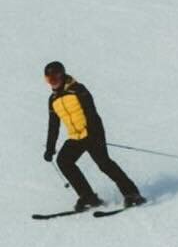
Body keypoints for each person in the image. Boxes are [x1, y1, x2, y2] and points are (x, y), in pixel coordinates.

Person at [42, 62, 145, 210]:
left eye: (55, 78)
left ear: (63, 75)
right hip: (75, 137)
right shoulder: (53, 100)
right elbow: (53, 125)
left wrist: (92, 133)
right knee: (64, 161)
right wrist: (50, 148)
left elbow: (91, 112)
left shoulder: (78, 89)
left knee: (104, 164)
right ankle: (88, 197)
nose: (53, 82)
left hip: (93, 133)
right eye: (49, 79)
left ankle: (132, 194)